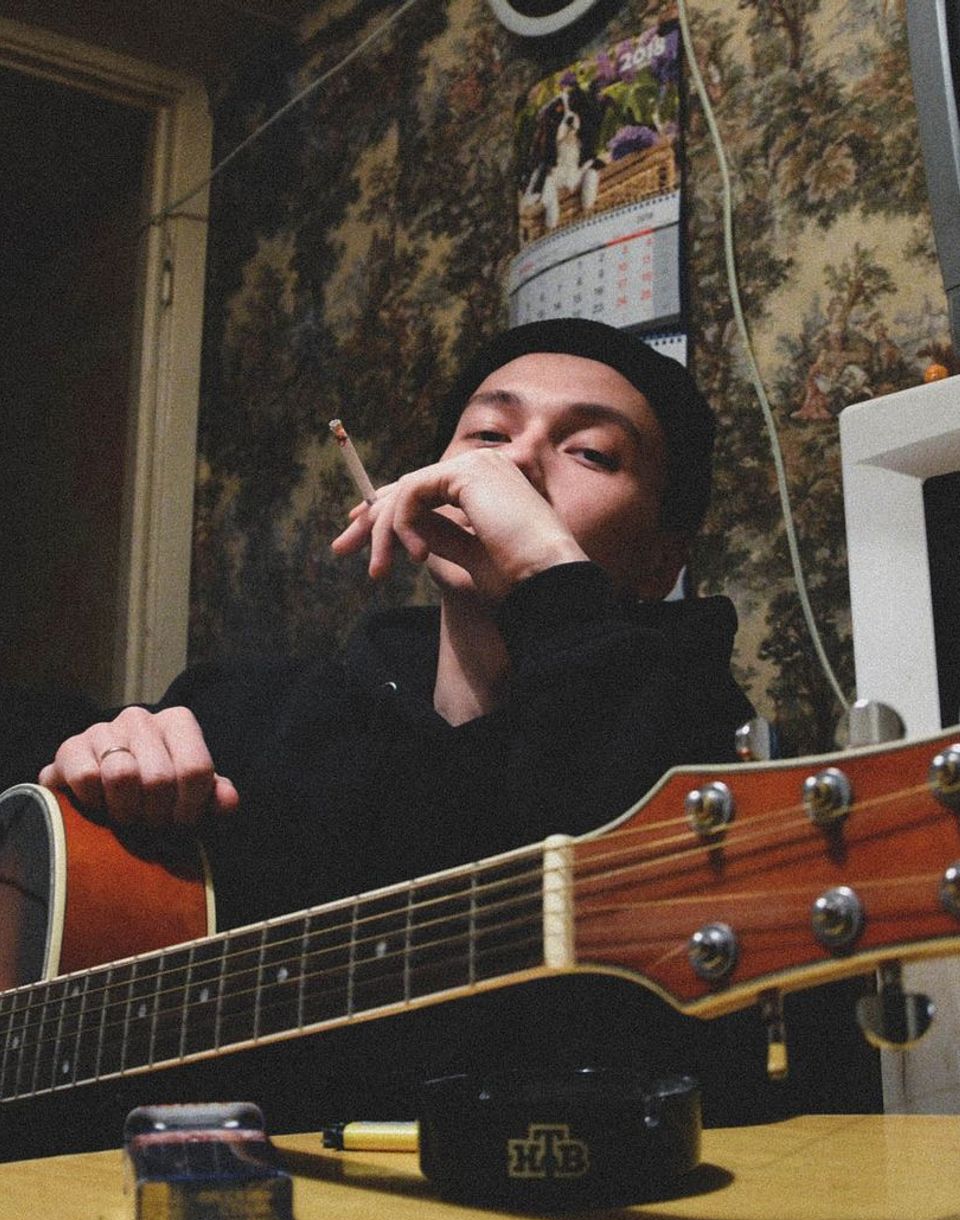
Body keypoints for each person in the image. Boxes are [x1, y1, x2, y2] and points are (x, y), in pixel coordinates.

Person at [36, 318, 879, 1133]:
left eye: (590, 452)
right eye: (486, 436)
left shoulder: (708, 766)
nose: (513, 465)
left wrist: (548, 573)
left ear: (663, 560)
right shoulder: (240, 716)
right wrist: (91, 768)